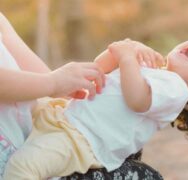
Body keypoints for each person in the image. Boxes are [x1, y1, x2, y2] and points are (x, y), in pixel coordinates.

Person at [4, 38, 188, 179]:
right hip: (63, 116)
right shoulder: (154, 71)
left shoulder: (176, 90)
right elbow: (100, 69)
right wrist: (120, 51)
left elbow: (136, 99)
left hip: (77, 139)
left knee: (23, 169)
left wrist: (128, 57)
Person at [0, 12, 163, 180]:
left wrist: (125, 56)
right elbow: (51, 83)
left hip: (34, 137)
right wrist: (54, 82)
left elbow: (50, 84)